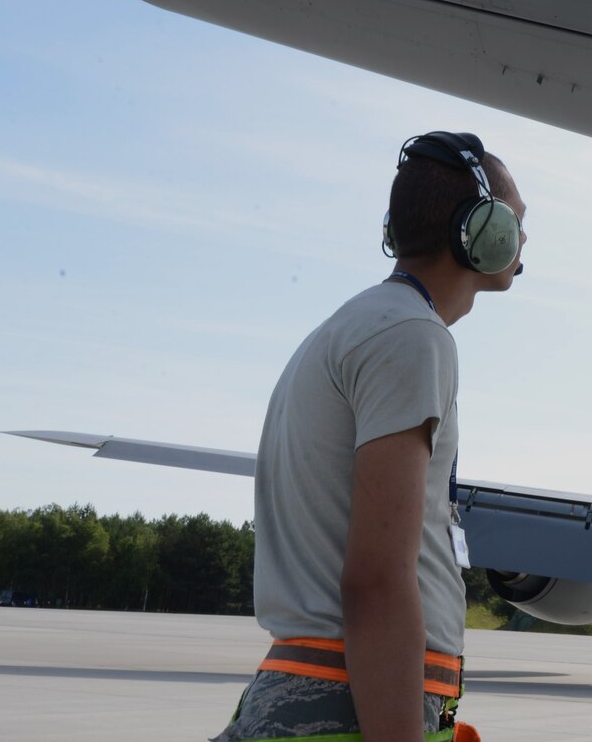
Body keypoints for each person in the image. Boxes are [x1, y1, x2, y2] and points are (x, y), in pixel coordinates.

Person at [215, 132, 525, 742]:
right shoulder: (411, 336)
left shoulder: (353, 327)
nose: (520, 239)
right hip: (350, 702)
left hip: (319, 692)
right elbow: (378, 578)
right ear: (482, 233)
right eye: (516, 221)